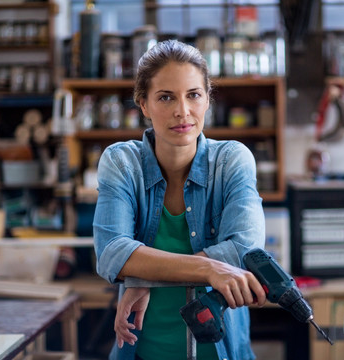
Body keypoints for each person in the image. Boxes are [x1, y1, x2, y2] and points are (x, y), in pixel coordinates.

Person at [93, 39, 267, 360]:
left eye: (193, 95)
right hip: (143, 350)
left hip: (221, 351)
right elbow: (110, 253)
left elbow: (246, 249)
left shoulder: (231, 160)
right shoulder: (121, 162)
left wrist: (145, 274)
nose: (182, 111)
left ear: (207, 100)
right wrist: (210, 268)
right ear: (143, 104)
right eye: (165, 97)